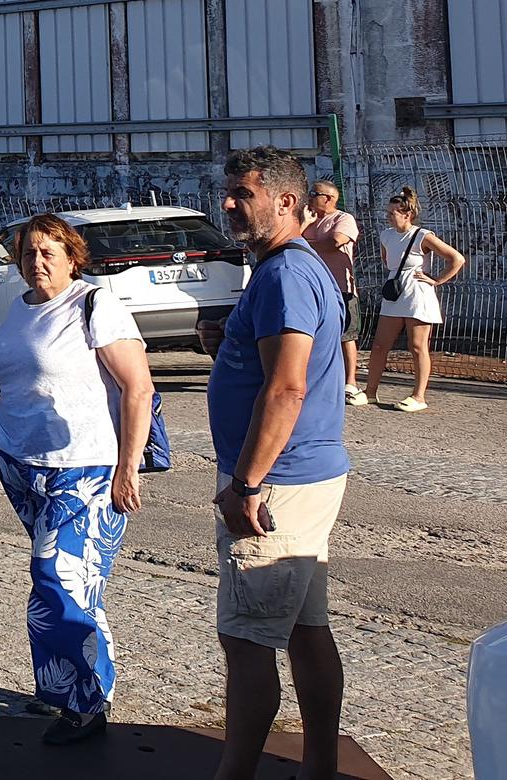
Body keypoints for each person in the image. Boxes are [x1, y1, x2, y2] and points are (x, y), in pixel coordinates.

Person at [199, 147, 350, 780]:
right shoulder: (289, 269)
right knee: (306, 627)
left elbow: (286, 387)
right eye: (228, 192)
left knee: (248, 639)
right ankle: (317, 766)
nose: (229, 204)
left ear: (286, 201)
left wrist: (247, 484)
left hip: (277, 485)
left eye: (243, 193)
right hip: (302, 475)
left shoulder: (287, 273)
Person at [0, 214, 153, 744]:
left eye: (48, 253)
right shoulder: (19, 307)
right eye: (28, 253)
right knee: (76, 583)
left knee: (54, 576)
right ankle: (63, 685)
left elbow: (138, 388)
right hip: (21, 461)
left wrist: (128, 467)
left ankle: (84, 705)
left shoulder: (93, 303)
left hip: (85, 464)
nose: (36, 262)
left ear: (72, 257)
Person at [364, 185, 467, 412]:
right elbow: (387, 261)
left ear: (407, 214)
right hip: (395, 292)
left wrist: (437, 280)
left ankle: (418, 396)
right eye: (388, 212)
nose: (388, 217)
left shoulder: (422, 235)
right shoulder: (386, 235)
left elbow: (456, 259)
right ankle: (370, 392)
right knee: (380, 344)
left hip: (417, 294)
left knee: (418, 346)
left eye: (392, 213)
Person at [303, 181, 369, 406]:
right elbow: (290, 240)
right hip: (312, 286)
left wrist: (306, 244)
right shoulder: (309, 220)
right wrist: (304, 225)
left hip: (340, 287)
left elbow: (335, 242)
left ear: (329, 198)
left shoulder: (343, 219)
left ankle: (350, 382)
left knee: (346, 335)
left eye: (314, 194)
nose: (309, 197)